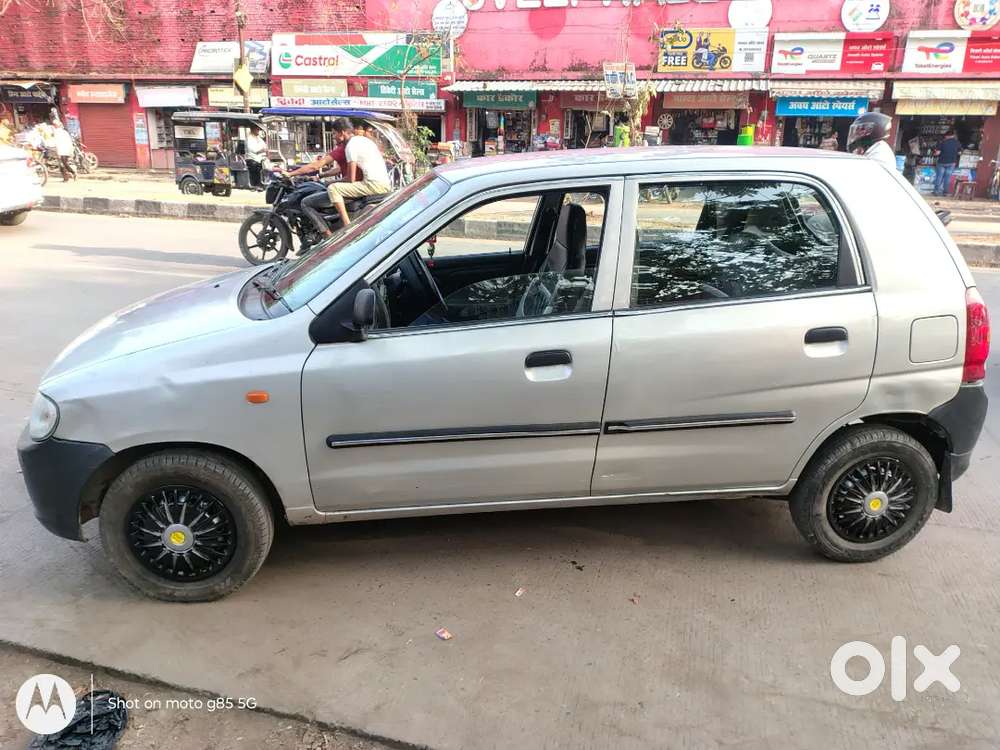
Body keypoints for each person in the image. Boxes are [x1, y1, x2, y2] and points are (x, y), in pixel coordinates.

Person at [319, 118, 391, 231]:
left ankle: (347, 227)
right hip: (384, 183)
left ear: (342, 132)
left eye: (334, 133)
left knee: (333, 189)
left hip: (373, 185)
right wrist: (323, 175)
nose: (333, 137)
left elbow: (350, 179)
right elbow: (340, 170)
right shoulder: (363, 140)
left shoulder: (350, 147)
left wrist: (329, 182)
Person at [933, 129, 962, 197]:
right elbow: (959, 153)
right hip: (952, 162)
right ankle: (945, 192)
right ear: (953, 136)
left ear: (947, 136)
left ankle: (936, 192)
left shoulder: (943, 142)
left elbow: (938, 153)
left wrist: (934, 152)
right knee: (947, 178)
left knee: (939, 177)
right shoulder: (957, 143)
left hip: (942, 162)